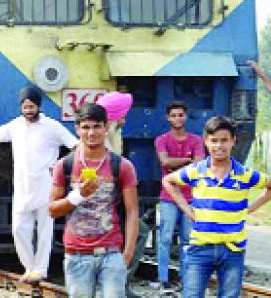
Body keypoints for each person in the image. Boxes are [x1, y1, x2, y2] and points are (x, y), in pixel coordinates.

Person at [163, 116, 271, 298]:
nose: (219, 146)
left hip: (232, 250)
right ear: (205, 141)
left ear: (233, 141)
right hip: (200, 248)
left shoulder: (245, 175)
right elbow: (168, 181)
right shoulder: (196, 170)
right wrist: (186, 208)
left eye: (224, 140)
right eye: (214, 141)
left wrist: (251, 208)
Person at [0, 86, 78, 282]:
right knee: (19, 229)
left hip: (47, 186)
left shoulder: (52, 126)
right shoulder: (16, 125)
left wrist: (60, 166)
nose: (28, 110)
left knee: (45, 230)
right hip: (21, 187)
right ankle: (29, 267)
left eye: (32, 106)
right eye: (25, 107)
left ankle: (41, 270)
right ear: (21, 107)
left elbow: (75, 146)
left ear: (38, 106)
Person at [48, 103, 139, 298]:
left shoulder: (122, 166)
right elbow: (52, 210)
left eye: (97, 126)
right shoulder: (65, 166)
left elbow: (132, 211)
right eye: (86, 127)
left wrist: (128, 252)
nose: (91, 133)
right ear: (77, 129)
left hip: (111, 253)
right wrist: (78, 195)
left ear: (106, 127)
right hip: (76, 254)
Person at [95, 91, 148, 298]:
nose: (125, 118)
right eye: (122, 113)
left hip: (115, 198)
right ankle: (118, 285)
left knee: (132, 234)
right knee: (138, 233)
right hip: (107, 201)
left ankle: (118, 285)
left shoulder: (112, 133)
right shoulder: (105, 139)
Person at [154, 101, 205, 292]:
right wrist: (188, 161)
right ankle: (163, 278)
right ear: (168, 117)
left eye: (180, 115)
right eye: (173, 115)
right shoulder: (162, 139)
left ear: (186, 116)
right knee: (165, 238)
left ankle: (186, 277)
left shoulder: (196, 140)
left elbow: (199, 167)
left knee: (188, 238)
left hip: (191, 197)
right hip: (168, 196)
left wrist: (176, 165)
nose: (177, 118)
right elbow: (165, 161)